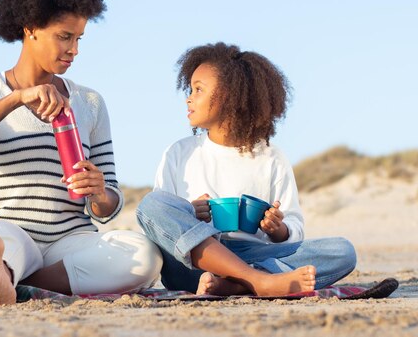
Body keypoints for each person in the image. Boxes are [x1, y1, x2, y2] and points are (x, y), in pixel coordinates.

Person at [0, 0, 162, 306]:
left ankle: (7, 280)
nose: (74, 50)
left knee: (145, 255)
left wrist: (99, 193)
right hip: (11, 230)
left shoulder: (90, 102)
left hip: (69, 242)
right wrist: (16, 99)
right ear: (30, 27)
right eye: (65, 36)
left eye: (80, 38)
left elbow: (109, 206)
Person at [136, 42, 356, 296]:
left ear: (229, 96)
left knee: (342, 251)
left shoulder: (272, 158)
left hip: (254, 254)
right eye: (190, 89)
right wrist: (189, 212)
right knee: (150, 204)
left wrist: (278, 230)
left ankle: (234, 284)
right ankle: (257, 281)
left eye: (198, 90)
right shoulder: (179, 152)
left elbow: (294, 227)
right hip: (194, 265)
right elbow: (160, 220)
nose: (189, 97)